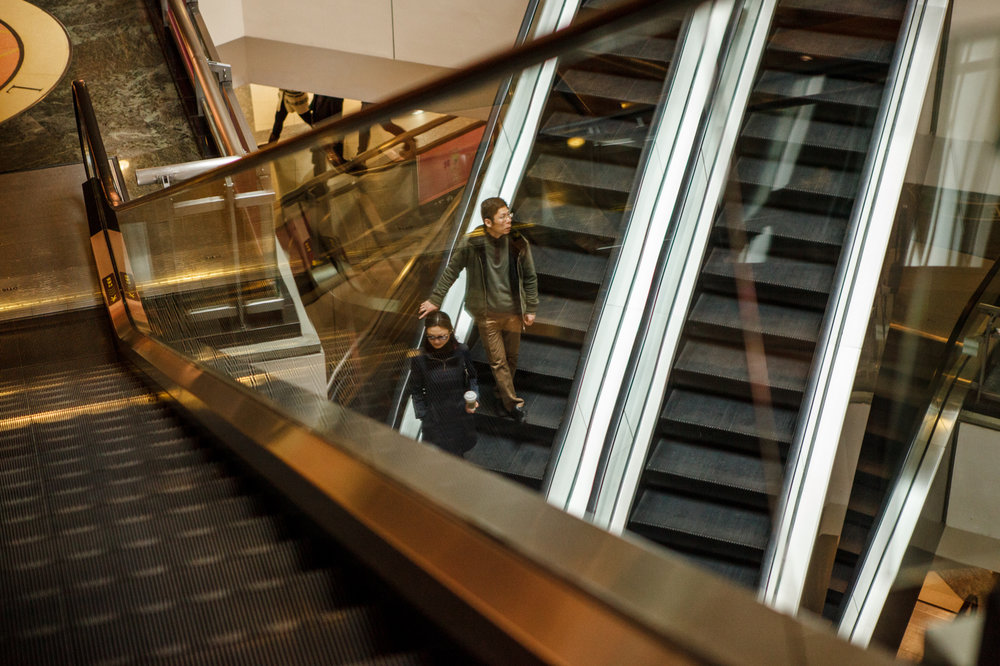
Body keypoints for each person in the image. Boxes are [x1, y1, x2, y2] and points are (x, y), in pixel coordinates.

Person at [418, 197, 538, 422]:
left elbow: (530, 277)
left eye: (509, 215)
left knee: (511, 358)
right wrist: (436, 298)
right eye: (502, 217)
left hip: (513, 313)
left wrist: (530, 307)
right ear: (488, 222)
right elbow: (452, 269)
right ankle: (513, 405)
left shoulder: (518, 242)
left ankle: (502, 398)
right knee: (498, 362)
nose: (509, 220)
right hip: (488, 316)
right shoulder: (473, 243)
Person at [409, 311, 479, 456]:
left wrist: (475, 398)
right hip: (435, 419)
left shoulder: (461, 351)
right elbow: (416, 391)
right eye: (431, 337)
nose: (436, 341)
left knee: (459, 453)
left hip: (460, 413)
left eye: (442, 336)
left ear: (450, 332)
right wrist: (424, 415)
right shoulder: (419, 358)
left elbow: (472, 377)